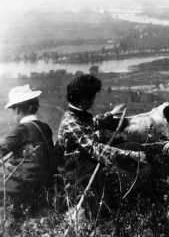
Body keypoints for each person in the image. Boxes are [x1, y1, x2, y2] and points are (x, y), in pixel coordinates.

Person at [57, 74, 148, 212]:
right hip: (78, 168)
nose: (94, 99)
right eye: (92, 96)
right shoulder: (71, 122)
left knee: (130, 146)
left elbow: (92, 124)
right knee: (119, 171)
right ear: (83, 100)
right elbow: (95, 148)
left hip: (86, 159)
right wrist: (130, 155)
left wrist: (110, 114)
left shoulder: (77, 115)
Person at [0, 84, 54, 217]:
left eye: (13, 110)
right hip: (44, 182)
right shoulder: (45, 127)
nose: (13, 114)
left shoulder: (22, 129)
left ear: (17, 109)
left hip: (25, 183)